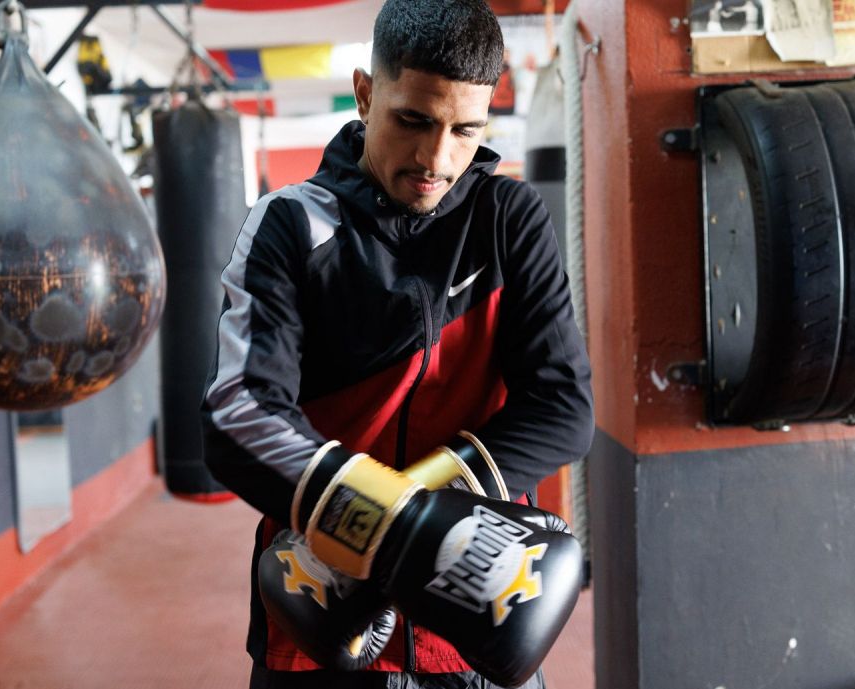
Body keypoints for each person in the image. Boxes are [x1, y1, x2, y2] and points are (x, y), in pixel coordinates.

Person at [200, 1, 594, 687]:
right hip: (320, 633)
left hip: (467, 621)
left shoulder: (507, 219)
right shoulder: (290, 225)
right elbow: (239, 415)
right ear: (365, 92)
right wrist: (400, 526)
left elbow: (563, 409)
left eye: (464, 130)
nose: (436, 158)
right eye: (413, 120)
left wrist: (401, 520)